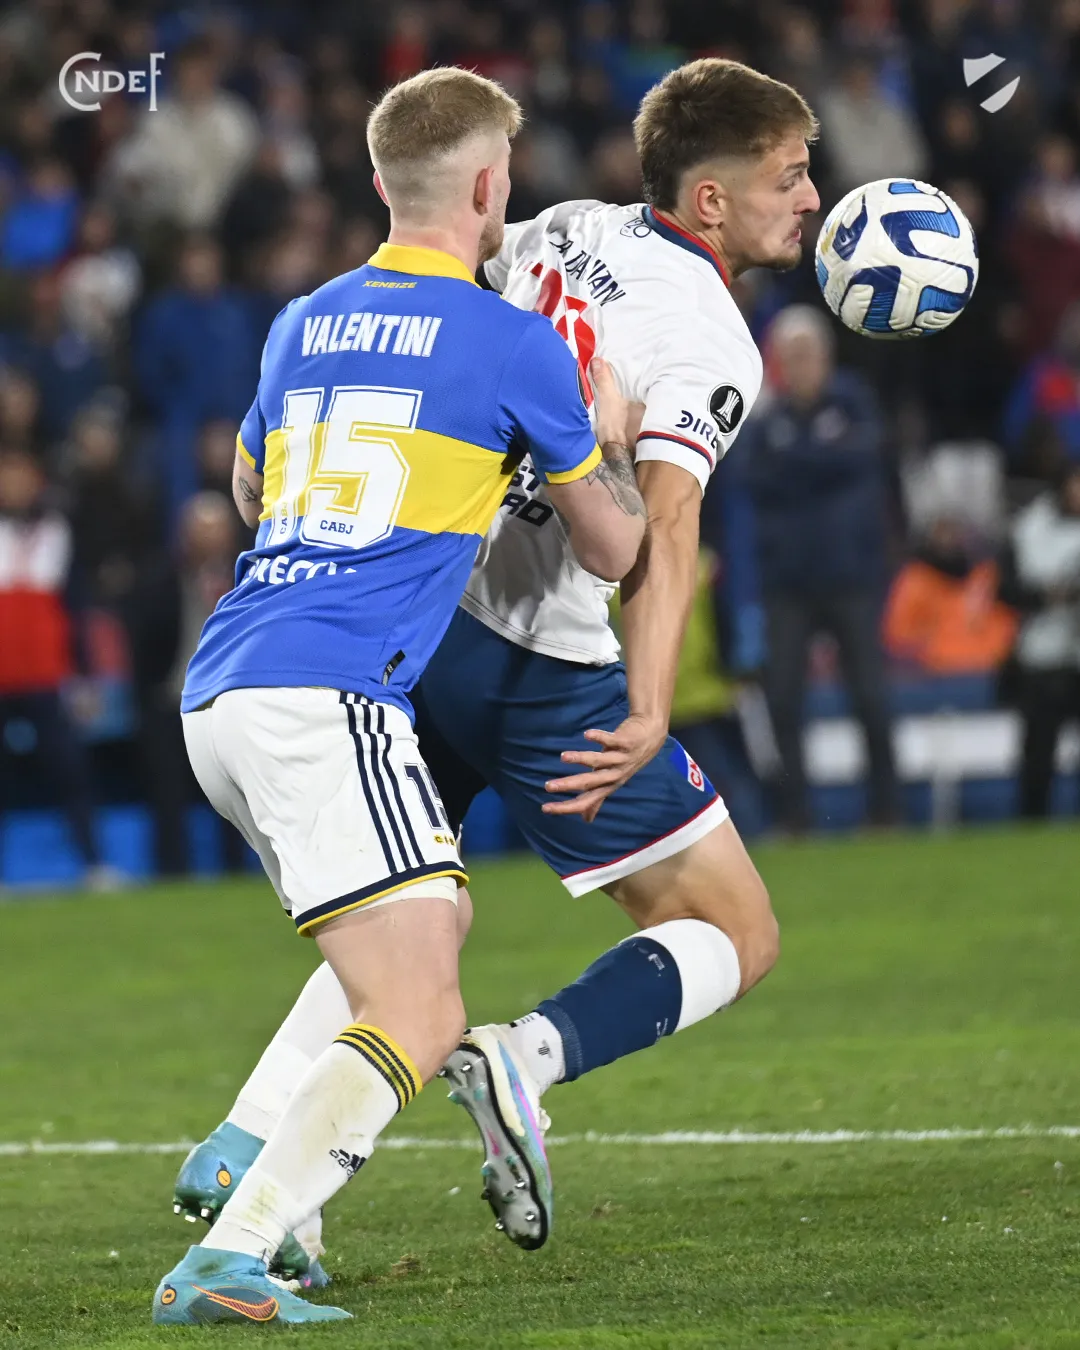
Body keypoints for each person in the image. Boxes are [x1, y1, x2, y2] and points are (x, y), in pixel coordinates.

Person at [173, 57, 815, 1263]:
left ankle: (251, 1137)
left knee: (410, 904)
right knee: (737, 928)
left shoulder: (561, 227)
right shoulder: (713, 340)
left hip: (419, 622)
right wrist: (648, 703)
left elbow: (435, 297)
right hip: (543, 662)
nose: (812, 200)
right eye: (789, 176)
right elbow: (662, 526)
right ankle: (527, 1057)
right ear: (713, 198)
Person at [152, 67, 645, 1327]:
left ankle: (248, 1165)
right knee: (422, 1008)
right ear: (490, 189)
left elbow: (249, 494)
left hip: (226, 684)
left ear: (380, 182)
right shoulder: (512, 342)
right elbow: (610, 549)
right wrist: (610, 440)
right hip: (328, 692)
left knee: (425, 934)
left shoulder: (302, 320)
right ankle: (235, 1251)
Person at [739, 304, 900, 830]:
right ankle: (796, 817)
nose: (801, 365)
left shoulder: (855, 403)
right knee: (784, 701)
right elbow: (752, 478)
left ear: (827, 356)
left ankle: (885, 810)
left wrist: (798, 463)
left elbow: (863, 458)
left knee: (870, 697)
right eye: (791, 356)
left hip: (851, 577)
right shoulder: (766, 420)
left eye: (807, 353)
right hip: (788, 582)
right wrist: (823, 462)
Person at [1000, 463, 1080, 817]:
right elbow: (1005, 590)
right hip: (1041, 655)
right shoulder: (1029, 528)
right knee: (1038, 753)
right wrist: (1046, 596)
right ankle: (1033, 819)